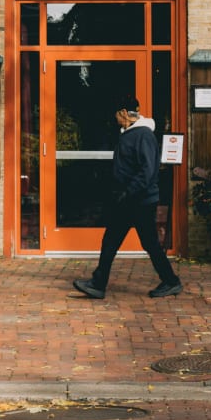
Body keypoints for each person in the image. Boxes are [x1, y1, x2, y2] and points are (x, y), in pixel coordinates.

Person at [73, 97, 183, 300]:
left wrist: (128, 191)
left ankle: (171, 281)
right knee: (112, 241)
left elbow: (148, 170)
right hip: (128, 200)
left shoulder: (143, 135)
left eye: (116, 114)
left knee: (146, 243)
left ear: (123, 112)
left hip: (139, 201)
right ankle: (98, 283)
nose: (115, 119)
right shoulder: (129, 134)